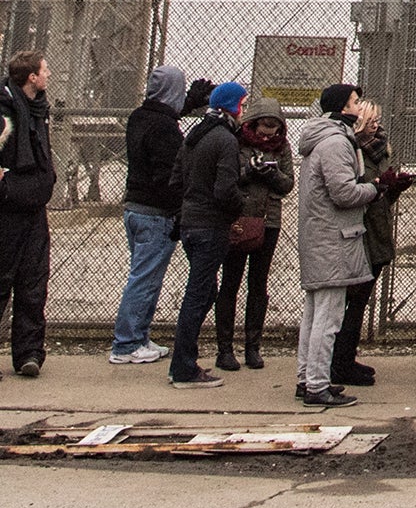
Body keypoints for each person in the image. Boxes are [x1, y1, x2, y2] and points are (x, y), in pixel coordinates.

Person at [293, 84, 382, 409]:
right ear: (343, 107)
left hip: (320, 237)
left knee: (315, 314)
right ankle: (317, 386)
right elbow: (343, 193)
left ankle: (308, 379)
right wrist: (375, 188)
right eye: (356, 101)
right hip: (333, 240)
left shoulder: (323, 140)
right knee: (328, 318)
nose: (359, 106)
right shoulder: (335, 143)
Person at [329, 85, 411, 388]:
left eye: (378, 119)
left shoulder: (379, 149)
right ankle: (339, 361)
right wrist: (377, 186)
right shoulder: (351, 150)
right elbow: (349, 191)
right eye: (371, 119)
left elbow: (377, 194)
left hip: (376, 227)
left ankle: (346, 358)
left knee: (361, 299)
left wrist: (390, 188)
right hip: (358, 232)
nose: (376, 125)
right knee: (351, 299)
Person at [168, 80, 249, 388]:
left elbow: (177, 180)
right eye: (242, 104)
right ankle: (184, 367)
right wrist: (238, 209)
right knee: (199, 293)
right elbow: (226, 189)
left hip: (191, 222)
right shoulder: (225, 140)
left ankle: (184, 361)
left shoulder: (195, 135)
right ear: (233, 107)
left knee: (204, 291)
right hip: (210, 225)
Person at [109, 64, 186, 365]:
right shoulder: (165, 128)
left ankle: (137, 336)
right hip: (156, 212)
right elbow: (167, 173)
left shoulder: (139, 117)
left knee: (144, 276)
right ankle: (126, 343)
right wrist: (178, 207)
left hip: (135, 208)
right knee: (144, 279)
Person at [215, 92, 294, 373]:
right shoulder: (236, 143)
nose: (268, 131)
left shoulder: (282, 148)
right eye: (264, 125)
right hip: (240, 218)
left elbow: (288, 184)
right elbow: (229, 176)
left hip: (269, 220)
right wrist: (249, 172)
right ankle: (224, 348)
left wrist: (271, 174)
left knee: (258, 285)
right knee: (231, 282)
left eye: (274, 126)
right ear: (254, 122)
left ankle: (253, 347)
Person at [0, 51, 56, 380]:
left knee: (34, 282)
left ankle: (29, 353)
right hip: (8, 210)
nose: (48, 74)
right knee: (1, 281)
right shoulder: (4, 109)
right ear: (31, 77)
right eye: (44, 70)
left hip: (34, 206)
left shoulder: (38, 109)